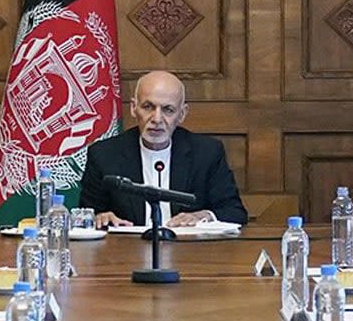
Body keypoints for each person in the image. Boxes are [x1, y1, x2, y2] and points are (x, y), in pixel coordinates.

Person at [77, 70, 247, 227]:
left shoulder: (207, 153)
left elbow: (235, 212)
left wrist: (203, 216)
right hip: (125, 252)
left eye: (168, 110)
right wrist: (100, 217)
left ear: (182, 114)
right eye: (148, 107)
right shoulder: (104, 155)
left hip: (189, 253)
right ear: (133, 108)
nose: (157, 118)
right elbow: (86, 214)